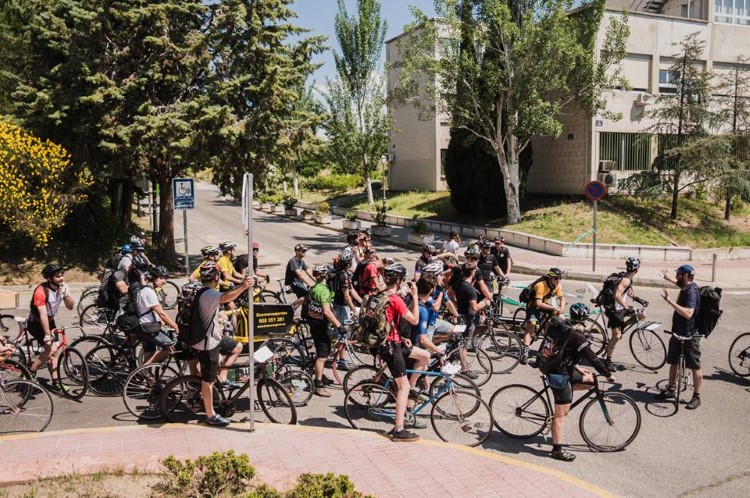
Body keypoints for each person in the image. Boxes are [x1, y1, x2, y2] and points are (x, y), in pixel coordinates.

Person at [543, 303, 614, 462]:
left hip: (559, 368)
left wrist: (577, 367)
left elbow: (565, 351)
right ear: (585, 319)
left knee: (591, 380)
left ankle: (564, 398)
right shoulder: (577, 335)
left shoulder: (566, 327)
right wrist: (607, 374)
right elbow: (593, 358)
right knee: (560, 416)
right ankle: (557, 450)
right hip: (559, 375)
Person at [193, 261, 254, 427]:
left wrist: (220, 319)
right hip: (207, 344)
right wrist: (243, 286)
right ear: (216, 277)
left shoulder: (200, 291)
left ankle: (223, 377)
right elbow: (226, 297)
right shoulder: (210, 294)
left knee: (237, 347)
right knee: (208, 381)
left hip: (212, 338)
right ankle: (211, 415)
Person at [378, 263, 430, 442]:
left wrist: (401, 336)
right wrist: (415, 296)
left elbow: (388, 321)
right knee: (403, 387)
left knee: (424, 356)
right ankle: (399, 430)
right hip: (390, 346)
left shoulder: (381, 294)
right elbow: (414, 320)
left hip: (392, 341)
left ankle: (410, 388)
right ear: (399, 281)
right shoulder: (395, 299)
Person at [656, 264, 702, 409]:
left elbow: (689, 314)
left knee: (695, 366)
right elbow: (680, 284)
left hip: (690, 335)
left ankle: (696, 397)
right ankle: (671, 390)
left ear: (686, 276)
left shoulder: (692, 291)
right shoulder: (686, 286)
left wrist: (670, 302)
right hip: (677, 332)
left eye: (679, 274)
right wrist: (668, 278)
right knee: (673, 362)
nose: (677, 277)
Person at [25, 264, 75, 391]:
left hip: (50, 321)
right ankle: (31, 372)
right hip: (36, 323)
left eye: (62, 275)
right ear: (49, 278)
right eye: (57, 276)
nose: (61, 278)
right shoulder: (40, 291)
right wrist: (47, 335)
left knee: (54, 351)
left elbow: (70, 306)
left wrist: (66, 295)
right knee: (50, 350)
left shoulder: (62, 287)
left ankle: (55, 382)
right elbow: (43, 315)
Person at [303, 265, 348, 397]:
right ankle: (318, 385)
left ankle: (321, 375)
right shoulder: (324, 291)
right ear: (325, 276)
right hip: (321, 327)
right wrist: (339, 326)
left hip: (314, 325)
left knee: (322, 352)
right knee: (322, 357)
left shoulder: (314, 288)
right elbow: (327, 312)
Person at [602, 257, 642, 371]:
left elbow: (627, 291)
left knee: (642, 314)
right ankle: (608, 361)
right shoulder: (626, 280)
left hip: (621, 308)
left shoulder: (628, 278)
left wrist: (638, 299)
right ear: (637, 269)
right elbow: (617, 295)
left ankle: (622, 326)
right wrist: (626, 308)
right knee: (616, 336)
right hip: (614, 310)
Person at [521, 267, 566, 365]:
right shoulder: (540, 285)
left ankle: (545, 328)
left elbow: (562, 298)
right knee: (531, 325)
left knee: (561, 317)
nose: (558, 281)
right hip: (534, 305)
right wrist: (554, 308)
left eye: (559, 279)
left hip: (544, 304)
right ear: (550, 278)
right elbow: (538, 303)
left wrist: (561, 309)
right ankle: (525, 353)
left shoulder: (557, 286)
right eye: (556, 279)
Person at [135, 266, 179, 365]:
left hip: (144, 325)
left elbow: (152, 311)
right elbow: (162, 313)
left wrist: (162, 322)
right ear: (154, 278)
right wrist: (175, 326)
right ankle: (142, 369)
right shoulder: (149, 292)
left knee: (150, 353)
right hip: (148, 327)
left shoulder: (145, 289)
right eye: (161, 278)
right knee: (169, 348)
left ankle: (144, 373)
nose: (164, 281)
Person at [452, 262, 491, 364]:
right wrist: (485, 303)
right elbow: (475, 307)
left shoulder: (459, 283)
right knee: (464, 346)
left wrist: (455, 303)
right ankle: (464, 368)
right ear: (472, 272)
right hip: (468, 319)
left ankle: (472, 339)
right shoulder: (470, 289)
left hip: (462, 314)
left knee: (486, 322)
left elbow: (449, 292)